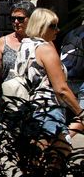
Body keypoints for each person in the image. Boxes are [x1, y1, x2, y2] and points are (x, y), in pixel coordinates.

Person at [12, 8, 84, 151]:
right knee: (55, 154)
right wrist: (80, 113)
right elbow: (61, 89)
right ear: (41, 26)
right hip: (47, 108)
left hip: (27, 108)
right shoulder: (45, 49)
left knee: (44, 153)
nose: (57, 30)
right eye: (53, 26)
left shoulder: (25, 45)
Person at [0, 0, 35, 116]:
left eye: (20, 19)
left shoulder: (39, 43)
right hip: (9, 98)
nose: (16, 22)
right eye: (12, 19)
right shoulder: (4, 41)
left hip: (34, 100)